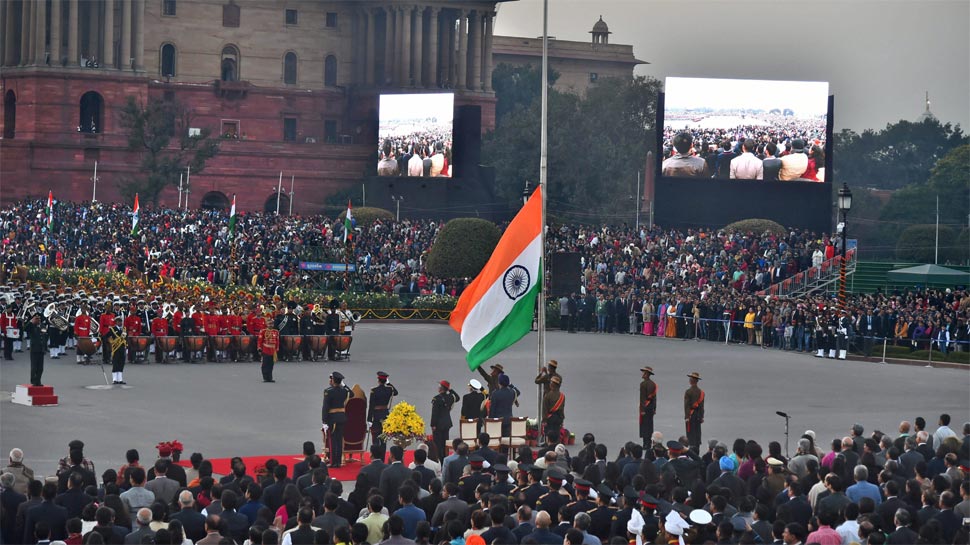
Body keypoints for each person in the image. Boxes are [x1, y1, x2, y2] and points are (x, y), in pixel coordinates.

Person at [322, 371, 351, 467]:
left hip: (333, 419)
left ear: (333, 380)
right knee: (339, 440)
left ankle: (333, 462)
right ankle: (338, 461)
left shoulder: (328, 391)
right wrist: (344, 385)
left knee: (333, 441)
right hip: (342, 418)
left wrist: (324, 421)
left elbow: (325, 407)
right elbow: (352, 394)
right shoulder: (344, 391)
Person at [368, 371, 398, 463]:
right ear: (385, 380)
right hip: (385, 415)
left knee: (375, 439)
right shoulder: (389, 389)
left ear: (378, 380)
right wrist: (389, 383)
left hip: (376, 415)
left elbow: (371, 405)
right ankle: (382, 459)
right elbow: (396, 392)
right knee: (384, 440)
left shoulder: (374, 390)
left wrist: (369, 419)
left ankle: (376, 459)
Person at [430, 380, 460, 462]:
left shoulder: (436, 399)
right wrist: (450, 390)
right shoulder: (450, 397)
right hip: (447, 423)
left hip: (438, 424)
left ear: (440, 389)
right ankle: (445, 458)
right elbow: (457, 397)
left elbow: (435, 413)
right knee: (445, 442)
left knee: (438, 444)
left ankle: (440, 460)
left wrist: (433, 425)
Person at [24, 312, 47, 386]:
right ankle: (33, 381)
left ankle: (38, 380)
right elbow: (25, 328)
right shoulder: (31, 326)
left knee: (40, 368)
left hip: (41, 349)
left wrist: (45, 348)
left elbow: (44, 337)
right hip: (34, 349)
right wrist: (31, 322)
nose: (38, 320)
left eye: (39, 318)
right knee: (34, 367)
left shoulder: (42, 326)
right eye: (36, 318)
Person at [684, 372, 705, 450]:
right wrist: (702, 416)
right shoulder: (701, 392)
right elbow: (702, 406)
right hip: (698, 415)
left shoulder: (688, 392)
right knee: (697, 432)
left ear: (692, 380)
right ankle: (697, 448)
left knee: (690, 433)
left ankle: (692, 449)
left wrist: (687, 417)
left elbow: (686, 406)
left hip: (691, 415)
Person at [104, 316, 127, 384]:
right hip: (115, 348)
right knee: (115, 362)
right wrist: (110, 342)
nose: (120, 322)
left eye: (120, 321)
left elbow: (126, 338)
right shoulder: (112, 329)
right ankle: (114, 379)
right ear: (116, 322)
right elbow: (106, 336)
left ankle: (120, 379)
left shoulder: (124, 329)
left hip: (122, 347)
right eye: (118, 321)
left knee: (121, 363)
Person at [542, 376, 565, 442]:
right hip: (558, 418)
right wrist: (562, 419)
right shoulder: (562, 396)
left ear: (552, 385)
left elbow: (545, 409)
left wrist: (544, 420)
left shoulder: (547, 396)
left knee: (549, 435)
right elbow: (562, 409)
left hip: (550, 418)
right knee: (556, 434)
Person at [639, 366, 657, 448]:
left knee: (644, 425)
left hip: (645, 407)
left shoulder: (643, 384)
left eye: (644, 373)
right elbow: (654, 398)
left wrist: (642, 409)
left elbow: (642, 398)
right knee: (650, 425)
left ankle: (645, 443)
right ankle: (649, 442)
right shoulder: (653, 384)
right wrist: (654, 408)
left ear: (646, 374)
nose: (642, 374)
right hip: (651, 407)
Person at [257, 314, 279, 382]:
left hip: (273, 350)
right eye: (269, 324)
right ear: (267, 324)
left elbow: (277, 341)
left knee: (271, 364)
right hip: (265, 349)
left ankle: (270, 377)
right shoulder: (263, 331)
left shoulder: (276, 331)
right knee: (265, 364)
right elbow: (260, 340)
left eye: (272, 324)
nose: (271, 325)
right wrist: (259, 348)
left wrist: (277, 348)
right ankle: (265, 377)